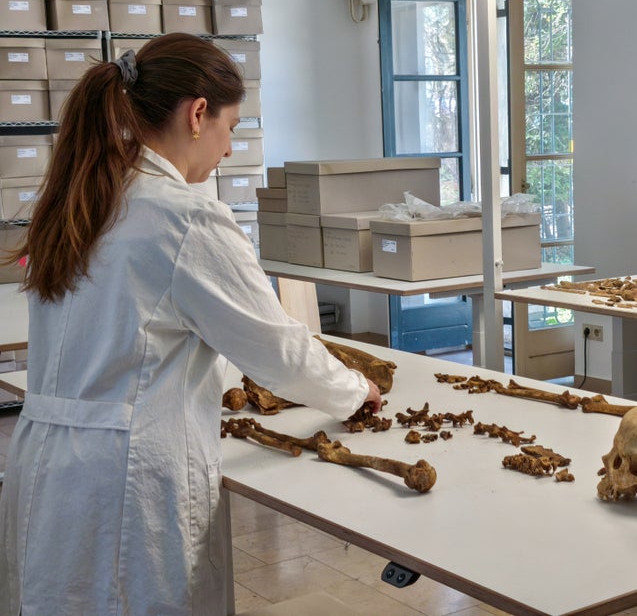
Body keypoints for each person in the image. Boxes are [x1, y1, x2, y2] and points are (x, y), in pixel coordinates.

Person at [0, 33, 382, 614]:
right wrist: (355, 391)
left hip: (46, 466)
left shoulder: (83, 193)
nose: (230, 149)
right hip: (129, 474)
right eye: (232, 126)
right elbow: (276, 348)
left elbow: (135, 324)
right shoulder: (183, 215)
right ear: (197, 114)